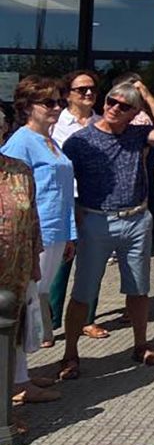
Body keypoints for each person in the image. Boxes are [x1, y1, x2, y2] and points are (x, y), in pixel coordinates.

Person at [59, 79, 154, 379]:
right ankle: (70, 354)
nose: (114, 108)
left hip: (136, 218)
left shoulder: (137, 134)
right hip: (96, 220)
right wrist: (73, 217)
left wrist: (148, 94)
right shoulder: (80, 141)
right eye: (111, 101)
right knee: (84, 290)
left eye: (124, 106)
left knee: (138, 289)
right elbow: (61, 181)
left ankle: (140, 345)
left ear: (134, 111)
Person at [1, 77, 76, 355]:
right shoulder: (21, 142)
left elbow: (64, 193)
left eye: (60, 101)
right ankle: (17, 380)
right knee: (25, 303)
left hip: (56, 232)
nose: (56, 107)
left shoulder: (50, 141)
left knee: (36, 298)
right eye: (48, 102)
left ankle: (22, 376)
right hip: (34, 233)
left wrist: (70, 234)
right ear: (27, 107)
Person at [48, 70, 105, 342]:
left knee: (91, 261)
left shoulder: (102, 123)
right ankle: (49, 322)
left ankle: (87, 319)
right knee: (59, 262)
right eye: (81, 89)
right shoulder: (55, 124)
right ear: (69, 93)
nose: (88, 94)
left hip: (95, 200)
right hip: (64, 200)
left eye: (92, 89)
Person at [0, 149, 51, 427]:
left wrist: (34, 260)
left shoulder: (19, 172)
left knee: (13, 333)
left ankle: (9, 400)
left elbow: (32, 219)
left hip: (16, 267)